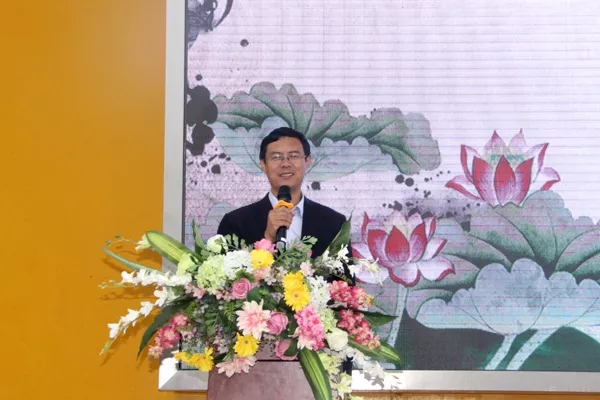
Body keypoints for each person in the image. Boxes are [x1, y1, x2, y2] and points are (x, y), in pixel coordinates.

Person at [217, 126, 352, 261]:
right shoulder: (235, 223)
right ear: (263, 164)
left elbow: (345, 274)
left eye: (293, 156)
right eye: (276, 157)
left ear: (307, 161)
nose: (285, 164)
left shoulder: (334, 223)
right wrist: (268, 238)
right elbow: (225, 272)